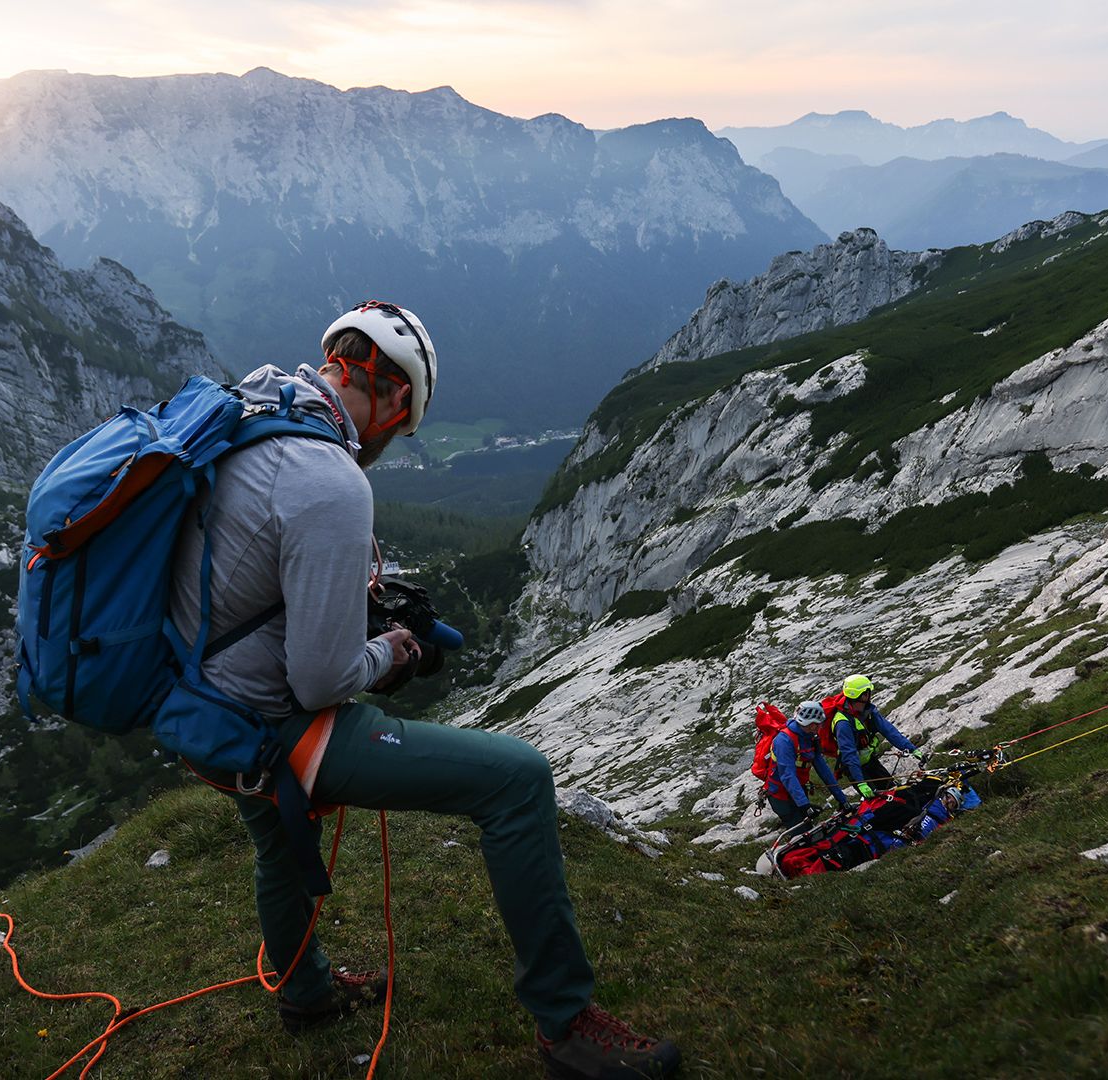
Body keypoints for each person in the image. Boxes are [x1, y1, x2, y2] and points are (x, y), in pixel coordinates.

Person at [166, 301, 678, 1080]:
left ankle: (304, 992)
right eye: (403, 431)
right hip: (269, 720)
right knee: (516, 780)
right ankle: (567, 1024)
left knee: (277, 839)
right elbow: (323, 678)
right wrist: (389, 649)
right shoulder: (331, 479)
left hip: (198, 709)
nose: (389, 446)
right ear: (399, 401)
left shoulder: (251, 412)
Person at [825, 674, 925, 797]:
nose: (870, 694)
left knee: (894, 791)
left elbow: (889, 731)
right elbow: (849, 755)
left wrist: (911, 749)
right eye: (868, 691)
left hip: (871, 761)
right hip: (854, 768)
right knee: (876, 799)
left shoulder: (869, 712)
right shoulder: (843, 723)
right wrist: (861, 782)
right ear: (863, 695)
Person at [760, 701, 852, 830]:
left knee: (809, 827)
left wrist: (841, 799)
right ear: (811, 724)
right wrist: (804, 805)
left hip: (798, 789)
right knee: (803, 833)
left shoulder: (811, 737)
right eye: (819, 724)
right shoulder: (784, 741)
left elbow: (823, 769)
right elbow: (788, 776)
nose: (820, 727)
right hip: (780, 795)